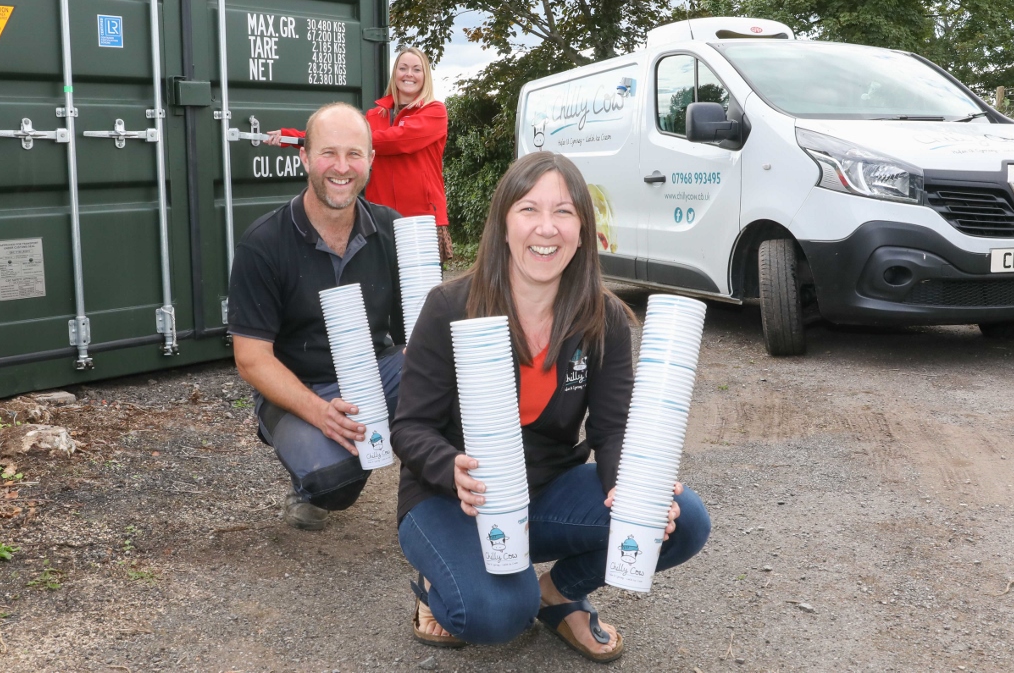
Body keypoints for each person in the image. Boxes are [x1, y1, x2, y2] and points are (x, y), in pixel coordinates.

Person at [391, 151, 711, 661]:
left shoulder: (602, 317)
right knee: (496, 613)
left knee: (681, 519)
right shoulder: (450, 306)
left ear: (582, 232)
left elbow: (612, 429)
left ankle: (558, 594)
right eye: (529, 209)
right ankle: (440, 582)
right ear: (503, 225)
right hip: (452, 498)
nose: (547, 228)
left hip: (544, 493)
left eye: (564, 212)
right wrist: (450, 469)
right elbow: (409, 428)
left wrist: (635, 491)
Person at [229, 102, 405, 531]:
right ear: (305, 157)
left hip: (374, 375)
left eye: (353, 154)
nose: (341, 167)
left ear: (370, 160)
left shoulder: (392, 230)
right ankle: (308, 479)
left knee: (452, 385)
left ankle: (432, 505)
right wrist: (320, 412)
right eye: (328, 153)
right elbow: (251, 359)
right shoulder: (264, 242)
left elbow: (419, 336)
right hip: (298, 386)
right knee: (333, 483)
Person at [266, 47, 451, 261]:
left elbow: (397, 140)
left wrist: (357, 141)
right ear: (395, 73)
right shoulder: (375, 115)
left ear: (425, 76)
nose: (409, 74)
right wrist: (289, 137)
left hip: (421, 219)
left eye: (416, 69)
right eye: (403, 68)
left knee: (419, 282)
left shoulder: (435, 111)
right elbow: (335, 134)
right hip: (379, 218)